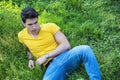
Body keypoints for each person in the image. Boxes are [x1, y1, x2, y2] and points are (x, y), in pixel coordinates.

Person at [18, 7, 101, 80]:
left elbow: (66, 45)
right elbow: (27, 47)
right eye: (30, 24)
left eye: (36, 22)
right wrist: (30, 59)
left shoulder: (50, 27)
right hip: (51, 67)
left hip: (65, 57)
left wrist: (46, 56)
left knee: (85, 49)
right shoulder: (22, 36)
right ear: (23, 23)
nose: (34, 27)